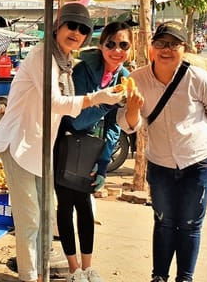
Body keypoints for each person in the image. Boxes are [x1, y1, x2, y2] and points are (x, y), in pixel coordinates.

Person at [0, 3, 124, 282]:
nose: (76, 32)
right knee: (30, 221)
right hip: (18, 144)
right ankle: (31, 277)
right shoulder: (43, 56)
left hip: (39, 149)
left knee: (43, 220)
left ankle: (41, 275)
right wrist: (98, 98)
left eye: (83, 29)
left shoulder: (64, 61)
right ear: (58, 27)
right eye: (71, 26)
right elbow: (54, 103)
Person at [117, 21, 207, 282]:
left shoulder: (199, 79)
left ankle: (184, 279)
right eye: (161, 44)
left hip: (197, 161)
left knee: (190, 224)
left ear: (184, 48)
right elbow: (127, 124)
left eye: (173, 44)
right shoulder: (136, 80)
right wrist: (133, 108)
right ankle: (159, 277)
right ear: (152, 47)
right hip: (161, 163)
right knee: (164, 221)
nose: (166, 50)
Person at [55, 21, 133, 282]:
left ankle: (88, 268)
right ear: (101, 46)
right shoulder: (82, 71)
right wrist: (104, 101)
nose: (116, 50)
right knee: (66, 207)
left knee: (85, 207)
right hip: (65, 147)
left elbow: (114, 128)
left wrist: (103, 164)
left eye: (123, 45)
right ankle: (74, 268)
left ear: (130, 49)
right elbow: (74, 120)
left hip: (92, 151)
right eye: (111, 44)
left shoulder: (124, 79)